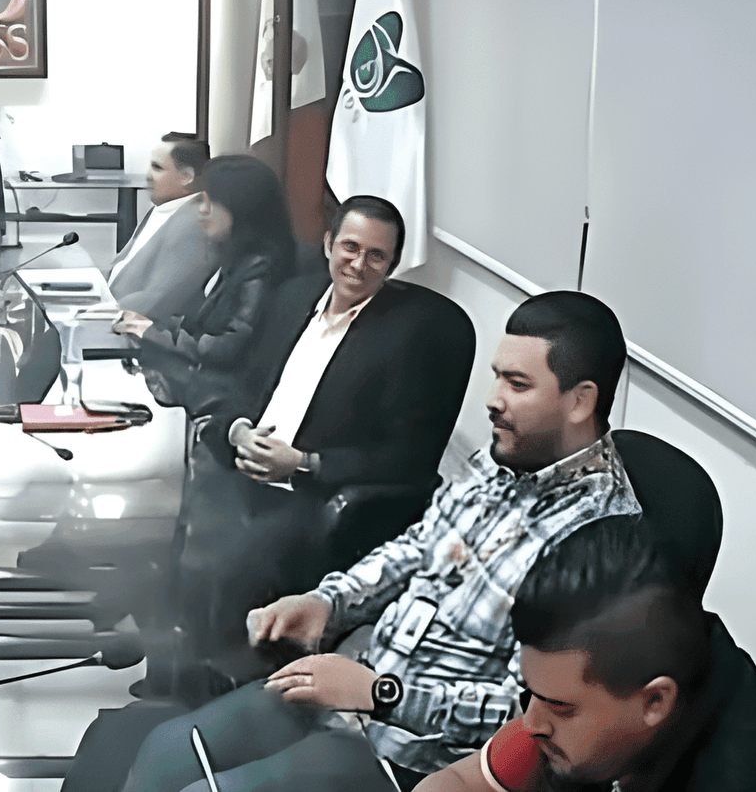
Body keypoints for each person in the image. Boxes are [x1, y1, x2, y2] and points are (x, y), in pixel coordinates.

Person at [108, 291, 643, 792]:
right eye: (497, 377)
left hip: (423, 756)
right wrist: (328, 602)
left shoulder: (598, 538)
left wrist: (379, 692)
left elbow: (529, 715)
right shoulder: (506, 456)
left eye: (517, 385)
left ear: (580, 401)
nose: (492, 400)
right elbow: (419, 546)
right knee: (164, 752)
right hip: (352, 695)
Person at [178, 196, 474, 654]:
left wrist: (303, 462)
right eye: (350, 247)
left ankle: (235, 678)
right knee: (181, 541)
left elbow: (408, 456)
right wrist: (237, 430)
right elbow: (245, 383)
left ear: (392, 265)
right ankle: (179, 673)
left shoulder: (408, 338)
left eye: (376, 256)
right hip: (244, 465)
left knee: (233, 566)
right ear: (328, 243)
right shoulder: (293, 298)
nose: (358, 264)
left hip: (312, 494)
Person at [417, 514, 756, 792]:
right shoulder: (585, 693)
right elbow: (460, 782)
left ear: (654, 702)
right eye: (532, 692)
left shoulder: (743, 774)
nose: (530, 723)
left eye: (560, 706)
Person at [115, 154, 295, 415]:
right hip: (196, 378)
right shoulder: (235, 254)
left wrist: (149, 331)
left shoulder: (260, 270)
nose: (201, 210)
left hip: (213, 396)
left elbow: (221, 350)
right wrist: (151, 325)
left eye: (210, 203)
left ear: (240, 209)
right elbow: (202, 323)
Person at [106, 132, 219, 321]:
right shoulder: (164, 207)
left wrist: (102, 312)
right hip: (117, 314)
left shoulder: (195, 223)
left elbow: (160, 300)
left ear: (186, 177)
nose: (148, 176)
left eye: (157, 168)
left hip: (137, 327)